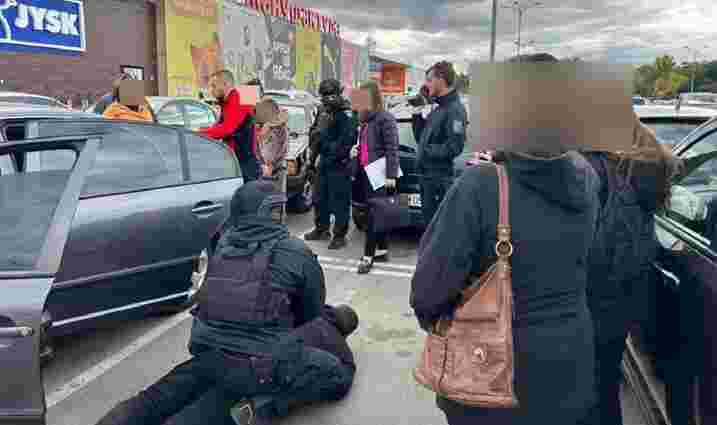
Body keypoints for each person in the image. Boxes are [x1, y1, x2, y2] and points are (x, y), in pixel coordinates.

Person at [410, 53, 600, 425]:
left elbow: (428, 292)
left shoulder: (482, 185)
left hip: (492, 380)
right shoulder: (586, 177)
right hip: (570, 370)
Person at [94, 180, 358, 425]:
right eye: (278, 210)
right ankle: (258, 408)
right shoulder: (296, 252)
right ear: (270, 213)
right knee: (338, 374)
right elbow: (310, 316)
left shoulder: (223, 244)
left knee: (157, 398)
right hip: (257, 365)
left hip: (209, 353)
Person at [580, 117, 680, 425]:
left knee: (588, 392)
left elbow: (594, 249)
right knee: (605, 385)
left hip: (591, 301)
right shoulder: (643, 174)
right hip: (621, 300)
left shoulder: (600, 172)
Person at [350, 80, 400, 273]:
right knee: (376, 213)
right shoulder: (366, 120)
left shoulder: (385, 119)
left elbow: (392, 149)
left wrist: (391, 176)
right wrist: (357, 150)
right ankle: (382, 250)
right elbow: (367, 146)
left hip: (379, 175)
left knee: (373, 215)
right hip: (366, 173)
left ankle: (368, 256)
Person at [411, 61, 467, 227]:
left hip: (439, 181)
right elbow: (421, 139)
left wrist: (426, 151)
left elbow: (455, 147)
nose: (426, 84)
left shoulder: (455, 110)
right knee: (429, 228)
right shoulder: (438, 108)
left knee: (437, 229)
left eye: (429, 80)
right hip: (427, 179)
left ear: (441, 79)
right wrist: (417, 114)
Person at [304, 79, 358, 250]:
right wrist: (312, 159)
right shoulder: (323, 111)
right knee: (319, 198)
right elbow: (314, 133)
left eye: (330, 95)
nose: (326, 99)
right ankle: (321, 229)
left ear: (338, 93)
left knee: (340, 201)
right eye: (324, 96)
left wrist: (326, 145)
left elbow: (346, 142)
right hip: (324, 162)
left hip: (339, 164)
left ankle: (339, 236)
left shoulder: (347, 114)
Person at [200, 70, 260, 182]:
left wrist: (198, 134)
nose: (211, 90)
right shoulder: (228, 101)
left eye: (214, 86)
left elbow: (227, 129)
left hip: (245, 165)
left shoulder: (238, 97)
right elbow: (218, 126)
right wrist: (202, 132)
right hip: (236, 161)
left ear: (225, 84)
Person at [255, 97, 289, 224]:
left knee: (275, 207)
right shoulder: (263, 128)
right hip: (266, 170)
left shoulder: (279, 130)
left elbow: (272, 153)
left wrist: (268, 165)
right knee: (267, 206)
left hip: (275, 170)